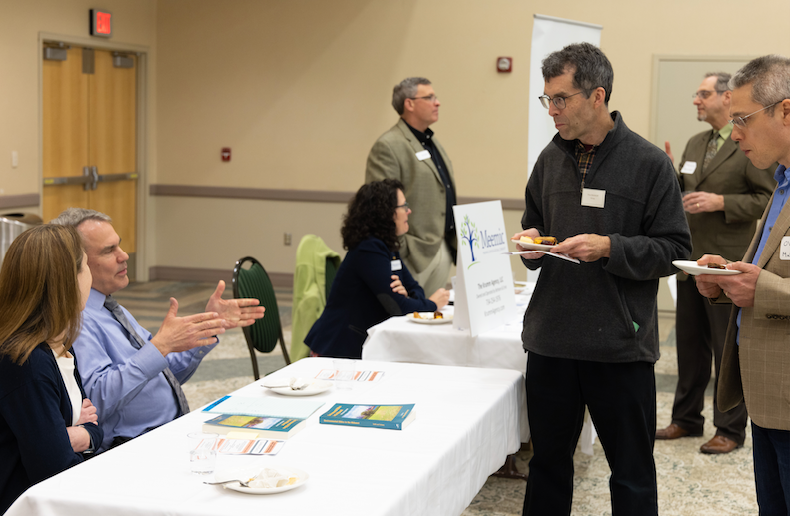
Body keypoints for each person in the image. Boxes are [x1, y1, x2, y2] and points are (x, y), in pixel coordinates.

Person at [512, 43, 691, 515]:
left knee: (631, 474)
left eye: (561, 99)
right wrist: (532, 244)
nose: (551, 110)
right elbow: (536, 227)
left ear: (597, 96)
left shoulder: (650, 164)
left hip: (619, 347)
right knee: (547, 466)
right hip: (551, 341)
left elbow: (675, 251)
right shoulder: (549, 159)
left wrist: (610, 247)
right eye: (546, 99)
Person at [50, 208, 265, 452]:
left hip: (167, 432)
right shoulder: (77, 321)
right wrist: (160, 346)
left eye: (119, 246)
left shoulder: (108, 307)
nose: (124, 256)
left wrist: (208, 327)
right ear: (77, 263)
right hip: (133, 447)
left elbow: (163, 374)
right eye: (109, 251)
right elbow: (98, 400)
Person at [656, 73, 775, 454]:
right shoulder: (695, 143)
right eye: (696, 94)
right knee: (688, 345)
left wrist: (721, 202)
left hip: (729, 265)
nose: (696, 100)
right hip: (692, 260)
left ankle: (730, 429)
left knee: (728, 349)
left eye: (704, 94)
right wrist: (671, 173)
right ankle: (686, 419)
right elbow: (687, 190)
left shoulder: (749, 145)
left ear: (727, 99)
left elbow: (766, 198)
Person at [695, 55, 790, 514]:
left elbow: (773, 284)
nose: (734, 134)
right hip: (768, 395)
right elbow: (773, 267)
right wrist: (730, 275)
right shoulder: (782, 184)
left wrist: (763, 290)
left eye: (743, 120)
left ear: (785, 112)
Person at [0, 225, 103, 514]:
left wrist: (80, 435)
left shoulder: (58, 345)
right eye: (85, 266)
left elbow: (93, 425)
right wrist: (69, 435)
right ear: (68, 282)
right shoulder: (26, 359)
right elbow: (54, 468)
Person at [305, 179, 449, 358]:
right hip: (338, 349)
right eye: (404, 206)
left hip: (359, 344)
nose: (409, 211)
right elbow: (398, 306)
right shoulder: (368, 249)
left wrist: (409, 296)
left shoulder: (387, 247)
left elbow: (414, 288)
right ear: (386, 213)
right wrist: (432, 304)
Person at [365, 77, 457, 296]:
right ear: (409, 104)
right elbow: (380, 206)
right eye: (429, 97)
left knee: (430, 321)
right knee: (406, 321)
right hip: (412, 254)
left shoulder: (430, 142)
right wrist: (402, 249)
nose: (437, 102)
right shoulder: (388, 145)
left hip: (441, 247)